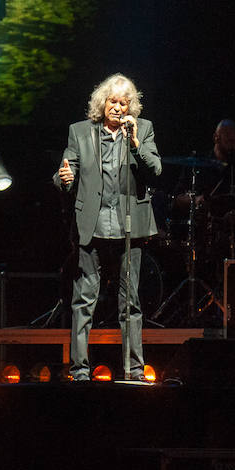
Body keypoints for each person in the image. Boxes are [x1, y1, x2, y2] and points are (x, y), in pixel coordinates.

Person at [54, 73, 162, 381]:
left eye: (123, 103)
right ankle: (79, 370)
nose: (117, 108)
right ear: (102, 103)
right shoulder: (80, 132)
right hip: (92, 228)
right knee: (83, 302)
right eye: (112, 102)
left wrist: (136, 142)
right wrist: (65, 179)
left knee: (131, 304)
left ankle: (134, 370)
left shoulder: (144, 130)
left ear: (131, 106)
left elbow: (154, 170)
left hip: (131, 230)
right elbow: (65, 171)